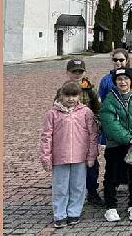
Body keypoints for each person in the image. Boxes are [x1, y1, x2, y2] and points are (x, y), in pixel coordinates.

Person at [41, 82, 98, 228]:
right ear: (61, 96)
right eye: (67, 95)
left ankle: (74, 212)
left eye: (74, 95)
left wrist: (91, 155)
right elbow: (46, 136)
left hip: (80, 156)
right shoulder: (52, 114)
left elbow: (92, 135)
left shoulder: (86, 112)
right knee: (60, 187)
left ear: (79, 96)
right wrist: (46, 156)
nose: (71, 99)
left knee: (78, 186)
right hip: (60, 157)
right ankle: (60, 213)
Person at [99, 67, 132, 222]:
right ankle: (111, 206)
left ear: (131, 80)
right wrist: (128, 138)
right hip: (115, 144)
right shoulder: (110, 99)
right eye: (119, 79)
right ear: (115, 81)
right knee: (112, 175)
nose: (123, 82)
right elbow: (109, 123)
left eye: (126, 79)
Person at [54, 59, 103, 207]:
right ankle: (70, 194)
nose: (77, 74)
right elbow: (56, 110)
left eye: (80, 72)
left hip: (86, 135)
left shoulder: (90, 90)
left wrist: (95, 123)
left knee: (91, 164)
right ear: (67, 73)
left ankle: (92, 192)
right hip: (68, 135)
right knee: (69, 165)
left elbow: (99, 109)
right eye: (74, 71)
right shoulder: (62, 91)